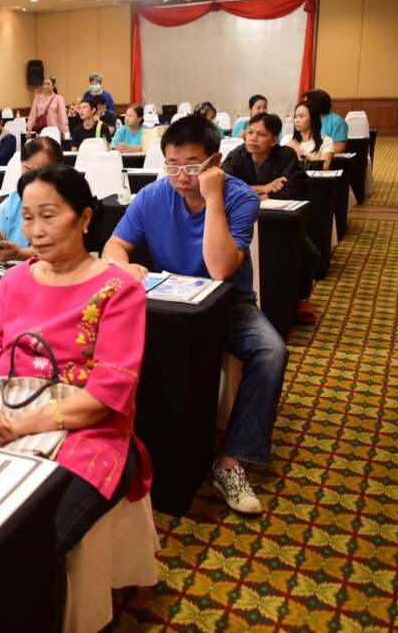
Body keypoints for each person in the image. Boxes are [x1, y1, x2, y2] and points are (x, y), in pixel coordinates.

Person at [0, 163, 149, 558]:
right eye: (28, 218)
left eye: (48, 216)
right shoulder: (14, 279)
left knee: (31, 539)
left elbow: (107, 394)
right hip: (2, 404)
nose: (35, 231)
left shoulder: (118, 290)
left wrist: (18, 426)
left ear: (84, 219)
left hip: (86, 426)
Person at [103, 115, 287, 515]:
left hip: (229, 304)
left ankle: (232, 461)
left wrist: (214, 198)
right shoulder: (153, 195)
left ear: (215, 162)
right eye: (172, 165)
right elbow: (113, 247)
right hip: (171, 305)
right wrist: (124, 267)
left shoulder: (240, 198)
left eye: (192, 166)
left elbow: (220, 269)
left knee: (271, 351)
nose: (181, 177)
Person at [221, 112, 319, 324]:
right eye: (250, 132)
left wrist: (263, 196)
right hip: (241, 222)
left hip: (278, 221)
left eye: (261, 134)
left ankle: (300, 299)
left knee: (309, 252)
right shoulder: (238, 155)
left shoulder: (285, 155)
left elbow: (297, 186)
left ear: (274, 140)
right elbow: (224, 185)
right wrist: (263, 188)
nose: (252, 138)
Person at [0, 136, 62, 262]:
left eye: (39, 171)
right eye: (26, 169)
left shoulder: (65, 204)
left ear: (57, 170)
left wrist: (19, 254)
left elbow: (59, 248)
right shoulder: (13, 200)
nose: (30, 177)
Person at [288, 101, 334, 169]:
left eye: (301, 116)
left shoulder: (326, 141)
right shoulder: (288, 139)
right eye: (295, 117)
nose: (297, 120)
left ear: (313, 118)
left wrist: (301, 154)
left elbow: (325, 166)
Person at [303, 88, 348, 153]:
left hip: (326, 157)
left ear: (316, 104)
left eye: (305, 103)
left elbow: (339, 147)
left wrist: (315, 153)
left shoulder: (337, 121)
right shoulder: (305, 119)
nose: (302, 106)